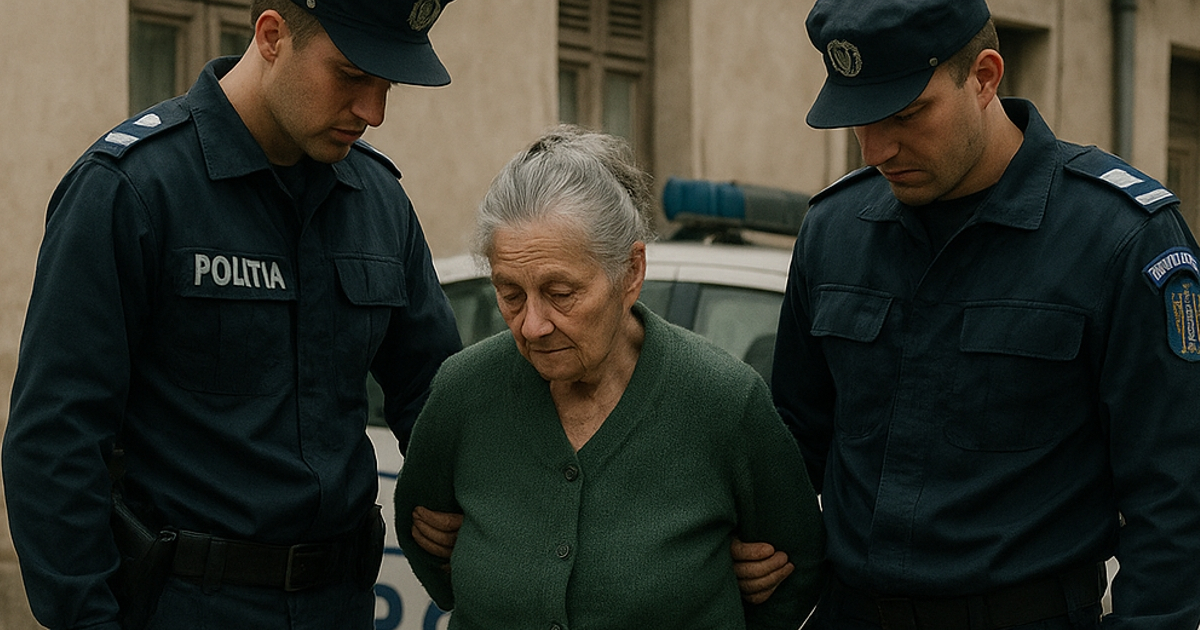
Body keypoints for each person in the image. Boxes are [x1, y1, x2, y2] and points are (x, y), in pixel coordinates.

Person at [736, 0, 1200, 628]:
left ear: (984, 77)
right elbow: (792, 446)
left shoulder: (1119, 237)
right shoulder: (834, 230)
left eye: (905, 114)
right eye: (859, 120)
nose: (875, 148)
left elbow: (1175, 498)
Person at [1, 0, 462, 628]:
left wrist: (453, 499)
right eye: (353, 76)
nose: (373, 112)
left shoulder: (378, 201)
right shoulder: (133, 188)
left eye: (387, 87)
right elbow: (55, 443)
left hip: (344, 605)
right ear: (272, 36)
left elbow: (436, 399)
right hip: (189, 605)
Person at [393, 126, 827, 630]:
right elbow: (424, 538)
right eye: (510, 293)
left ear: (631, 271)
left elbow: (798, 567)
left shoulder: (723, 401)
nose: (532, 325)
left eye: (561, 292)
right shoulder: (465, 392)